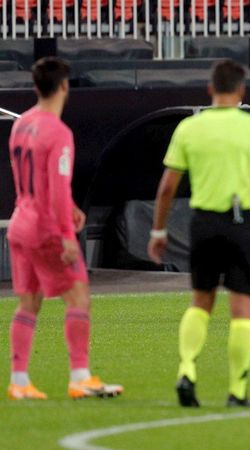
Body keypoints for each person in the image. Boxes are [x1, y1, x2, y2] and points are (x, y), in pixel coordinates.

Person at [147, 60, 250, 408]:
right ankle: (237, 390)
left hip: (203, 221)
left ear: (210, 89)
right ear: (241, 90)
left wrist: (158, 230)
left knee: (201, 302)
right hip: (241, 221)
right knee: (241, 309)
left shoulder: (189, 127)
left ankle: (187, 370)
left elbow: (167, 187)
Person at [6, 57, 123, 400]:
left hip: (20, 222)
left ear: (35, 86)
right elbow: (56, 189)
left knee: (28, 303)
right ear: (64, 86)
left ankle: (19, 380)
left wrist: (68, 208)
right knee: (78, 296)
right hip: (45, 228)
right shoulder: (59, 133)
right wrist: (65, 236)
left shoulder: (21, 124)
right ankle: (80, 377)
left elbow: (28, 180)